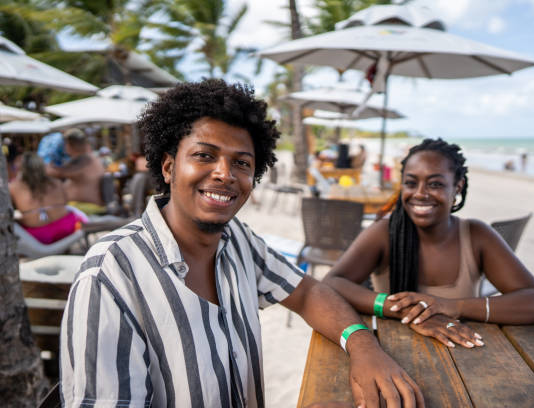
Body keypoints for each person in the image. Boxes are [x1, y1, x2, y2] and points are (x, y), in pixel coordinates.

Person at [59, 80, 424, 407]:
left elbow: (309, 292)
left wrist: (361, 344)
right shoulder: (109, 277)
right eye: (204, 155)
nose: (224, 173)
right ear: (168, 167)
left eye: (242, 163)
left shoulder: (238, 241)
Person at [323, 138, 534, 349]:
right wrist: (400, 309)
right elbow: (332, 283)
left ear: (458, 187)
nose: (420, 194)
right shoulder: (384, 233)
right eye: (411, 183)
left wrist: (452, 306)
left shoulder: (476, 235)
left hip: (463, 354)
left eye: (435, 184)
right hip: (392, 353)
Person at [9, 152, 86, 244]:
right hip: (67, 228)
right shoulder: (56, 182)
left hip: (37, 236)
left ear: (21, 168)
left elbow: (11, 209)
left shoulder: (13, 187)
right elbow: (65, 202)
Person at [46, 128, 106, 213]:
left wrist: (46, 167)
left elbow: (56, 172)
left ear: (70, 145)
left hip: (86, 208)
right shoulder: (88, 158)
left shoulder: (84, 159)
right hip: (84, 206)